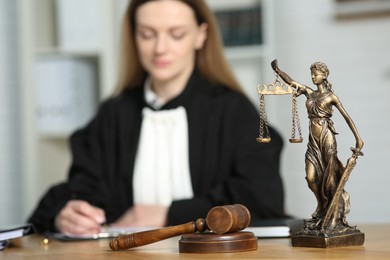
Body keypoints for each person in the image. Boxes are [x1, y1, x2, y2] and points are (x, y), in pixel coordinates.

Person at [28, 0, 285, 235]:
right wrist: (67, 215)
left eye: (176, 34)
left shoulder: (234, 111)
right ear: (134, 37)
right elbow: (80, 190)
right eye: (147, 35)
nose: (160, 48)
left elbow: (262, 198)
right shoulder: (112, 115)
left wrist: (166, 214)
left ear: (200, 36)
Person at [271, 59, 364, 231]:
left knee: (331, 179)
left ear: (325, 75)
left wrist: (358, 138)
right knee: (311, 178)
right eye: (311, 74)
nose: (313, 76)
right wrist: (278, 70)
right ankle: (322, 207)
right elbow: (291, 82)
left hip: (326, 137)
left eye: (316, 73)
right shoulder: (309, 93)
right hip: (312, 141)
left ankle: (334, 217)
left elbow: (347, 117)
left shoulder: (331, 97)